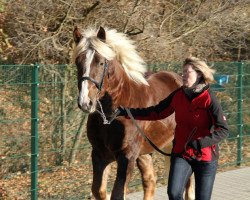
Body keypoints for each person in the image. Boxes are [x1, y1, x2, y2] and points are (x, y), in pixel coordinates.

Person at [118, 57, 229, 200]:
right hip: (182, 153)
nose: (183, 75)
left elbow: (223, 129)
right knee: (174, 193)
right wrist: (128, 112)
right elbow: (156, 112)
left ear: (199, 74)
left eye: (187, 72)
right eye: (182, 72)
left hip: (205, 157)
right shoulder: (178, 95)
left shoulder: (209, 99)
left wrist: (201, 143)